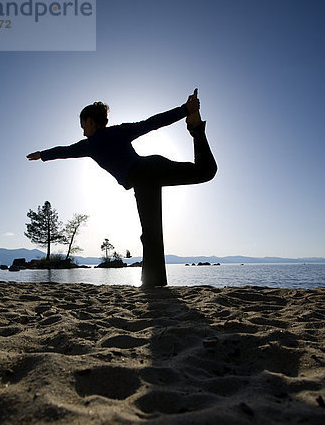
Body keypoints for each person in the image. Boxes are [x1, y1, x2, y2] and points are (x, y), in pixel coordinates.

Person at [27, 88, 217, 287]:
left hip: (143, 175)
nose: (82, 129)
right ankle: (196, 127)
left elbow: (65, 151)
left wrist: (43, 154)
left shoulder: (89, 145)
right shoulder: (116, 132)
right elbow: (151, 123)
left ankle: (153, 282)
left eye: (82, 124)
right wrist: (185, 110)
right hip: (150, 170)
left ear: (90, 121)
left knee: (151, 231)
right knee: (206, 171)